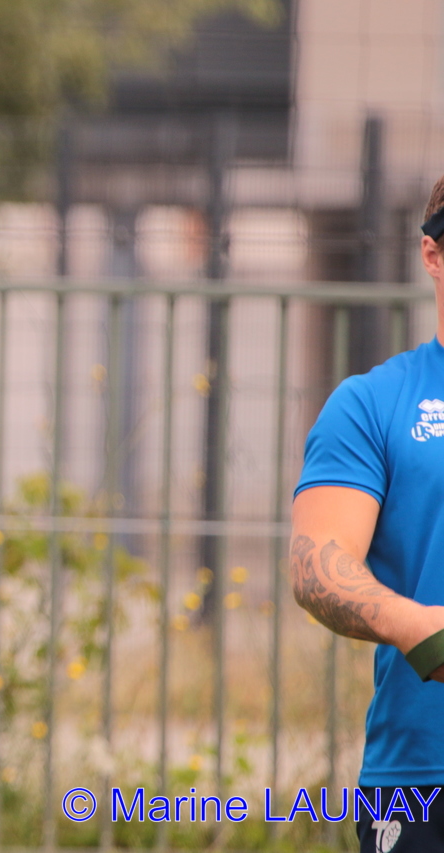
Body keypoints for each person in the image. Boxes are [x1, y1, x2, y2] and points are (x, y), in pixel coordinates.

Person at [293, 174, 444, 852]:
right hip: (422, 778)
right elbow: (317, 564)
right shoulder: (372, 404)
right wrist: (421, 628)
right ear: (432, 254)